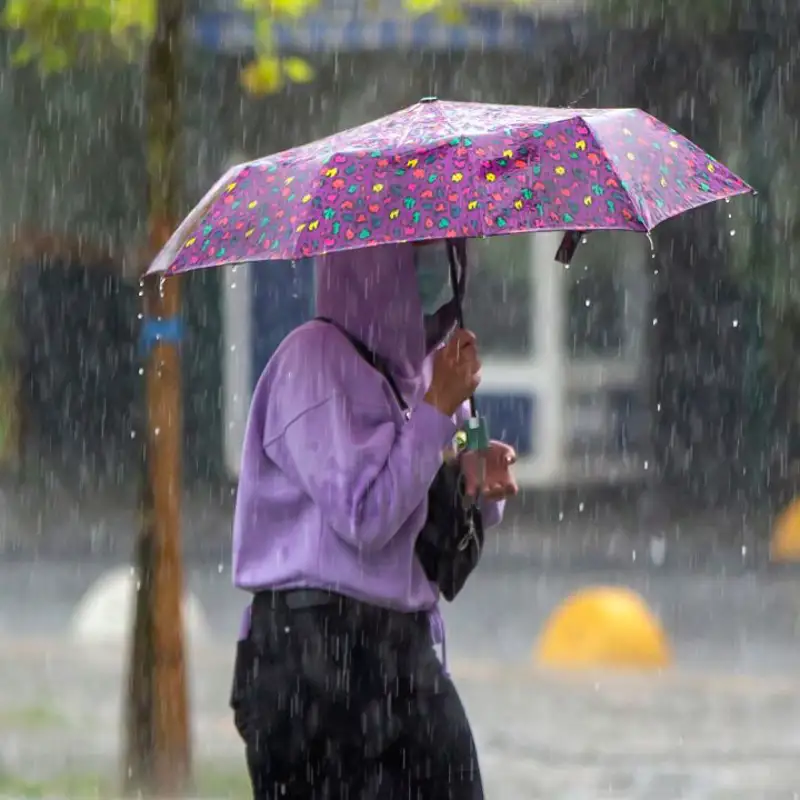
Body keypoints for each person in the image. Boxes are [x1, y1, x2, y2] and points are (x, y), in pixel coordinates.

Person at [230, 240, 518, 799]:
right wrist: (435, 410)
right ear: (376, 267)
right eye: (421, 255)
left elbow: (447, 483)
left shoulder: (434, 368)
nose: (440, 271)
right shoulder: (310, 363)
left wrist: (479, 475)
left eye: (449, 253)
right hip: (311, 657)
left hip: (404, 649)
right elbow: (365, 518)